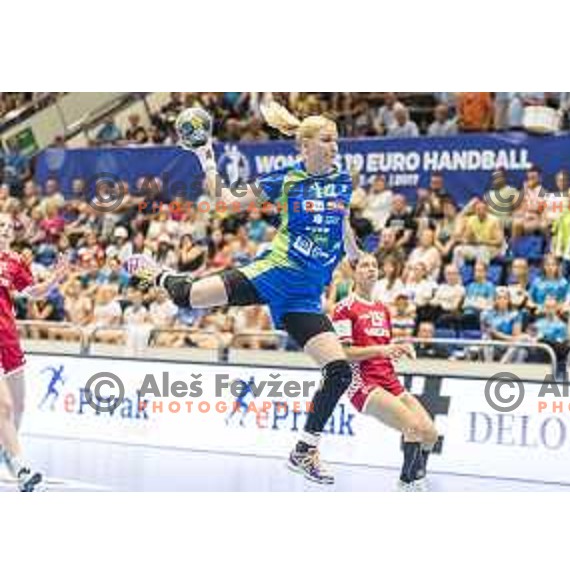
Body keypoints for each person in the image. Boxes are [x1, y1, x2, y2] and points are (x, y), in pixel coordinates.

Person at [126, 101, 360, 485]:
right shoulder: (286, 180)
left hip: (304, 297)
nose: (334, 146)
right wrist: (206, 156)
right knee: (186, 297)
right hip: (274, 273)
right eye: (327, 140)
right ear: (305, 146)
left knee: (338, 373)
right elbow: (226, 201)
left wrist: (354, 253)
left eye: (336, 140)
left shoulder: (342, 180)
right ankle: (156, 274)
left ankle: (304, 450)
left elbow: (343, 219)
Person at [332, 254, 438, 491]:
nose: (371, 269)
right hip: (363, 383)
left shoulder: (382, 309)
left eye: (374, 265)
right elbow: (345, 353)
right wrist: (383, 349)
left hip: (389, 379)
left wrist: (399, 347)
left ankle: (417, 476)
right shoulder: (344, 308)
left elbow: (383, 347)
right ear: (354, 272)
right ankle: (406, 483)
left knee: (429, 433)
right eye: (365, 265)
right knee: (412, 427)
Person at [0, 212, 69, 491]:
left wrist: (55, 279)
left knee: (18, 407)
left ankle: (7, 452)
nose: (5, 229)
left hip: (9, 339)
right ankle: (21, 467)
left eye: (8, 226)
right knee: (3, 406)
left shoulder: (15, 262)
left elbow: (35, 292)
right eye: (0, 225)